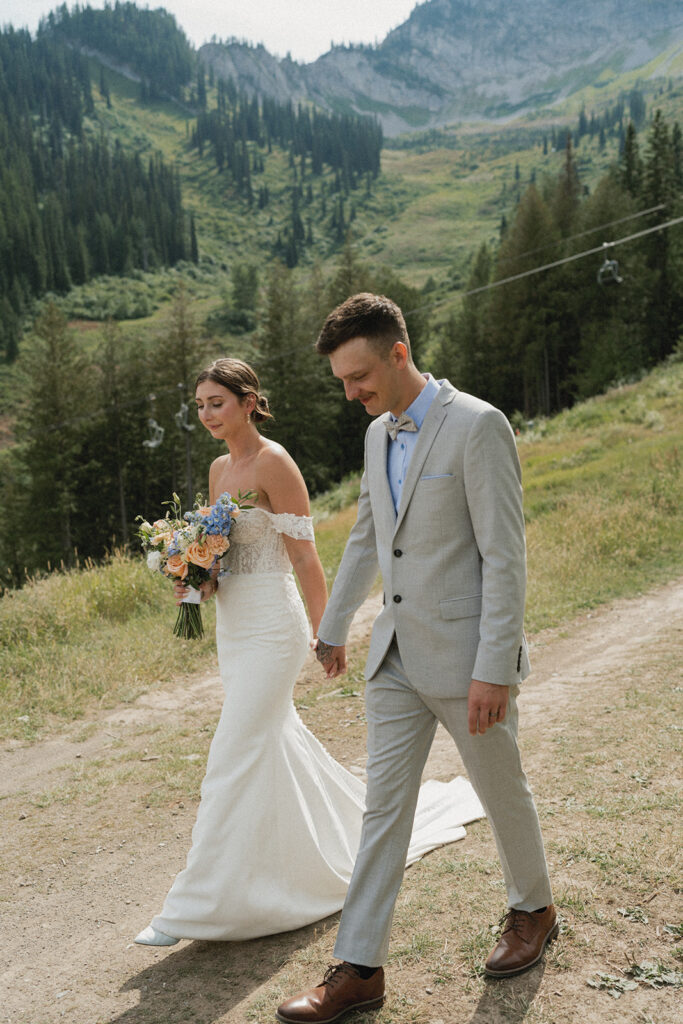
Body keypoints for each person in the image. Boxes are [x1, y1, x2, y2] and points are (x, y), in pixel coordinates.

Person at [134, 357, 484, 947]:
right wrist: (193, 578)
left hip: (274, 628)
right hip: (233, 626)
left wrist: (329, 631)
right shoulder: (220, 469)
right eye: (199, 405)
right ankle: (297, 863)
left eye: (216, 402)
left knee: (232, 751)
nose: (206, 414)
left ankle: (193, 906)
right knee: (268, 744)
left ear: (249, 400)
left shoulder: (276, 463)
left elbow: (304, 556)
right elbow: (222, 556)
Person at [276, 295, 556, 1024]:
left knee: (502, 792)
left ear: (398, 355)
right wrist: (333, 628)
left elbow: (504, 556)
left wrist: (493, 667)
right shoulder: (377, 436)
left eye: (359, 376)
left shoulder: (477, 425)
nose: (351, 393)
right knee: (381, 812)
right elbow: (370, 536)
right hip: (394, 659)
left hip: (469, 663)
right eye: (342, 380)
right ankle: (358, 967)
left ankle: (533, 909)